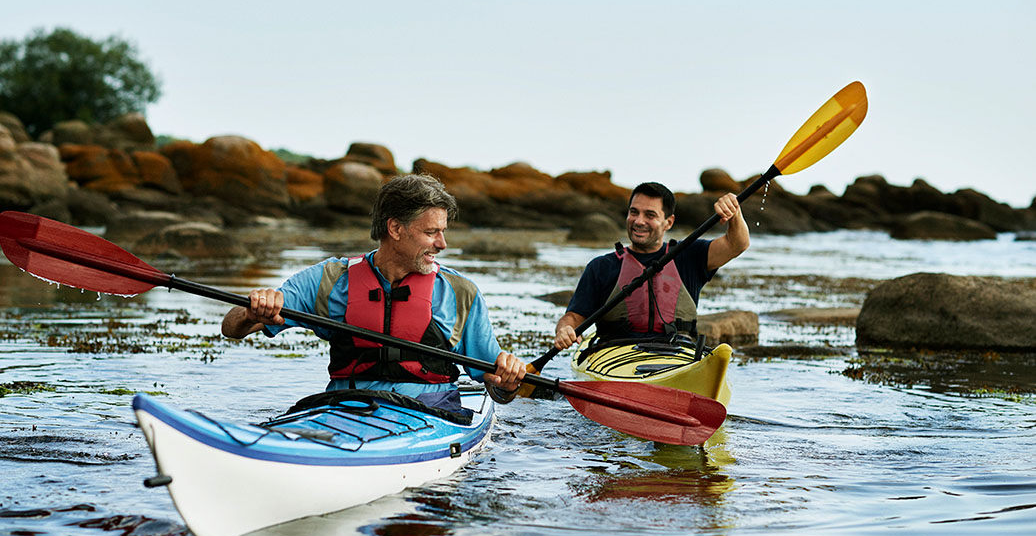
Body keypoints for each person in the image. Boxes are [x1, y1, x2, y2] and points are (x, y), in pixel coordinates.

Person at [222, 173, 525, 410]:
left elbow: (497, 389)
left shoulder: (459, 293)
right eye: (431, 232)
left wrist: (509, 381)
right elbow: (231, 328)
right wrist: (251, 311)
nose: (442, 244)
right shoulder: (330, 280)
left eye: (443, 232)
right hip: (346, 411)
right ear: (395, 229)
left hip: (432, 415)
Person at [554, 181, 749, 350]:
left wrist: (735, 214)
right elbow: (573, 317)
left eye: (650, 215)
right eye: (634, 212)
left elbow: (737, 244)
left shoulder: (688, 256)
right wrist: (565, 329)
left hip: (677, 353)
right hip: (615, 356)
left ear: (668, 222)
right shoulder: (601, 267)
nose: (639, 221)